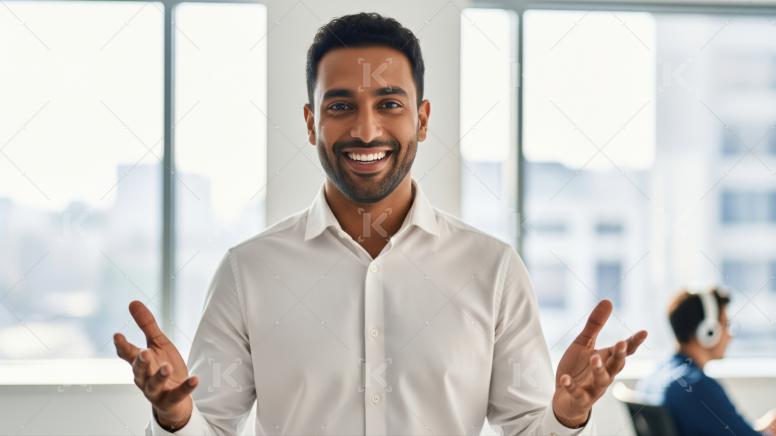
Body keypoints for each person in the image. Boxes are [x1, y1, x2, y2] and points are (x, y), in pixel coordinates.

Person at [113, 12, 648, 435]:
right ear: (310, 122)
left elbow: (528, 430)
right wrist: (174, 418)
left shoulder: (492, 269)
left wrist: (566, 415)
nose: (366, 131)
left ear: (422, 118)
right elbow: (212, 428)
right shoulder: (248, 271)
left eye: (389, 103)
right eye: (341, 105)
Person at [637, 286, 776, 435]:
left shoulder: (654, 378)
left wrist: (760, 430)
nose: (730, 335)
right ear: (708, 331)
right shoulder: (696, 385)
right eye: (726, 325)